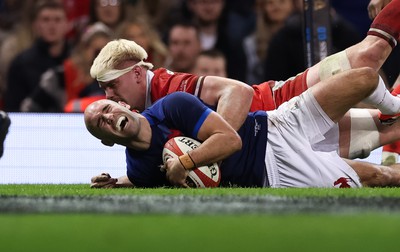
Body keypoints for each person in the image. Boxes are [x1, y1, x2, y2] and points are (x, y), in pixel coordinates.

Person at [89, 0, 400, 160]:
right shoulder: (143, 114)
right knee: (390, 127)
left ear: (135, 72)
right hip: (275, 149)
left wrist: (216, 145)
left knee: (368, 57)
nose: (110, 96)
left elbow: (235, 91)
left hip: (281, 105)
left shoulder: (168, 87)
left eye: (112, 85)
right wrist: (125, 179)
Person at [85, 68, 400, 188]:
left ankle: (395, 106)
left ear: (126, 106)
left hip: (276, 124)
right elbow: (143, 176)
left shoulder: (172, 105)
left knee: (363, 77)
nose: (109, 117)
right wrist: (117, 182)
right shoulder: (139, 169)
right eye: (101, 123)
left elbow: (230, 140)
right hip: (277, 173)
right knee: (380, 176)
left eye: (107, 109)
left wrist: (185, 162)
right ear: (106, 141)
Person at [20, 22, 111, 113]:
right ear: (82, 49)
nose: (101, 56)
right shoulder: (58, 77)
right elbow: (28, 108)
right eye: (97, 51)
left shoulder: (117, 80)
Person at [4, 0, 71, 112]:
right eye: (45, 20)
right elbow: (13, 109)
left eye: (57, 20)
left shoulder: (78, 61)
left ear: (67, 24)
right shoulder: (21, 64)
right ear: (35, 25)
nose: (52, 26)